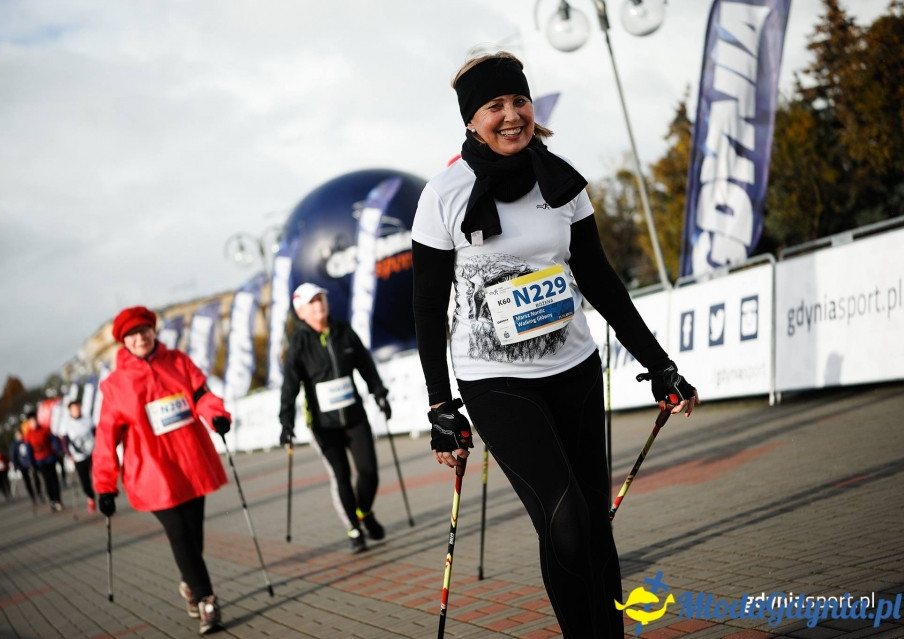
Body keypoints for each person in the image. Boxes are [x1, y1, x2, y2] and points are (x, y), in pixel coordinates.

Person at [411, 51, 700, 637]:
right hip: (495, 381)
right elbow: (426, 308)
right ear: (471, 120)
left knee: (594, 522)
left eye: (519, 101)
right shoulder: (443, 195)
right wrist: (441, 405)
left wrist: (659, 365)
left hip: (574, 367)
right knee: (564, 518)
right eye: (495, 106)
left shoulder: (562, 181)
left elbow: (601, 281)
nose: (511, 115)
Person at [92, 305, 231, 635]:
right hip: (152, 472)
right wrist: (105, 485)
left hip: (191, 462)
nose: (140, 338)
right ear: (123, 341)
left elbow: (201, 395)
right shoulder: (116, 385)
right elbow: (106, 436)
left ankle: (189, 583)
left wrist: (216, 416)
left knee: (193, 533)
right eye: (132, 335)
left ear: (153, 331)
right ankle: (206, 601)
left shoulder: (178, 362)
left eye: (144, 330)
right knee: (179, 532)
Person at [279, 282, 392, 553]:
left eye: (321, 299)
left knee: (369, 472)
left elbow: (365, 365)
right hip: (323, 425)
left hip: (354, 417)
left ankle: (364, 512)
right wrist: (286, 421)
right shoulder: (298, 343)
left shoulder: (344, 331)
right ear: (301, 311)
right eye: (312, 302)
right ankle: (354, 531)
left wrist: (379, 393)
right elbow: (290, 386)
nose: (319, 305)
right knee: (341, 476)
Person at [59, 399, 96, 512]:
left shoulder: (87, 419)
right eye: (73, 408)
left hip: (92, 452)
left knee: (96, 475)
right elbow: (65, 442)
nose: (76, 410)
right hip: (78, 457)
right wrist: (69, 454)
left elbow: (95, 432)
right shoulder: (67, 424)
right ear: (70, 410)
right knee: (85, 480)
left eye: (78, 407)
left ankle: (102, 494)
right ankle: (90, 497)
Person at [25, 409, 64, 511]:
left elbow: (54, 441)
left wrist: (58, 450)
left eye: (34, 420)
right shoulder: (29, 435)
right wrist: (31, 463)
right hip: (40, 462)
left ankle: (58, 499)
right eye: (31, 421)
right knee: (47, 481)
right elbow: (29, 451)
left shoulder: (45, 429)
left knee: (55, 480)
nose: (33, 423)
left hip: (50, 458)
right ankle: (52, 500)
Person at [10, 428, 43, 504]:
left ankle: (39, 492)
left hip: (31, 463)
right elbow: (13, 456)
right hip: (22, 466)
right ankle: (32, 496)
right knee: (27, 481)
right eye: (18, 435)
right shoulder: (14, 445)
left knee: (35, 478)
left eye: (20, 434)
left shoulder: (26, 441)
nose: (20, 436)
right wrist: (15, 465)